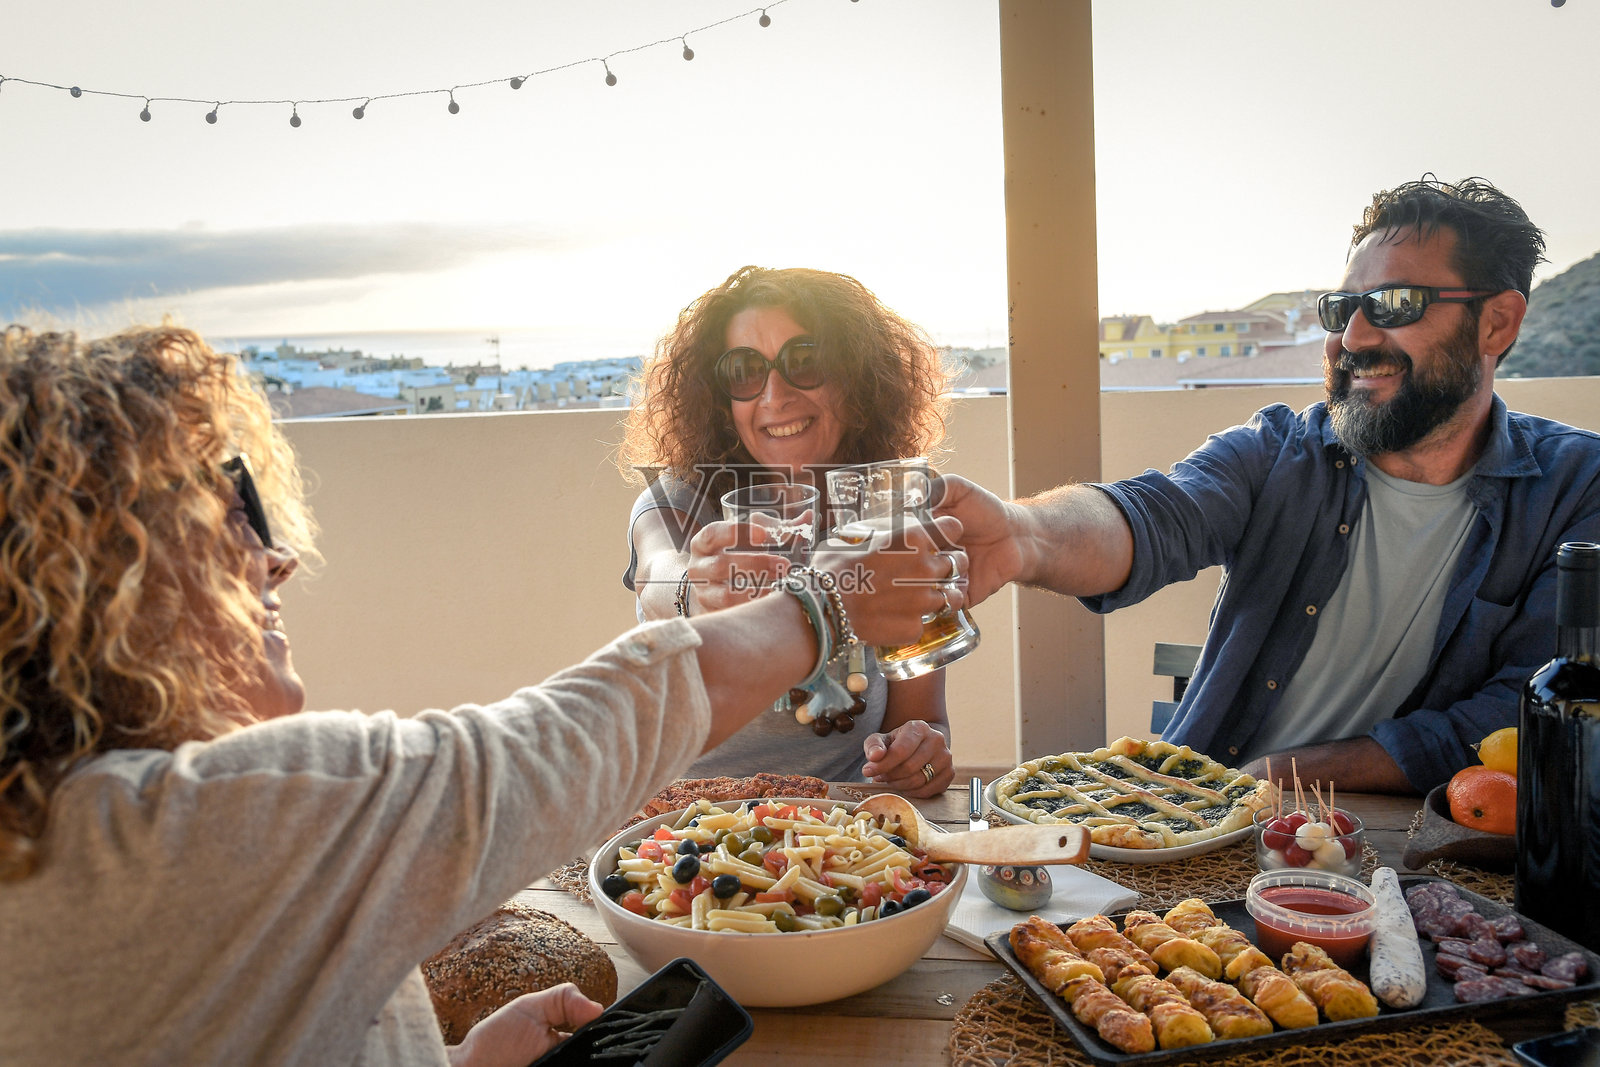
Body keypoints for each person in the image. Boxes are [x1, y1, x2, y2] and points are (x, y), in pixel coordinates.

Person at [0, 324, 963, 1066]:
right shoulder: (200, 822)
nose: (278, 556)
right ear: (101, 581)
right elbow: (542, 750)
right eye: (229, 509)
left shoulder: (52, 822)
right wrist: (825, 602)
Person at [937, 175, 1600, 795]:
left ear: (1497, 323)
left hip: (1418, 853)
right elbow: (1156, 517)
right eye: (1342, 309)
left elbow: (1531, 708)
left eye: (1395, 304)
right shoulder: (1280, 450)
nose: (1353, 336)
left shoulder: (1576, 489)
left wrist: (1291, 771)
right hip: (1204, 827)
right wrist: (1024, 534)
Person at [618, 265, 958, 796]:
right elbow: (659, 576)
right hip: (683, 830)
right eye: (743, 371)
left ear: (859, 376)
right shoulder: (680, 500)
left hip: (845, 830)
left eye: (805, 362)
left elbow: (924, 721)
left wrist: (921, 758)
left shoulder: (897, 512)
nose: (774, 395)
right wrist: (696, 586)